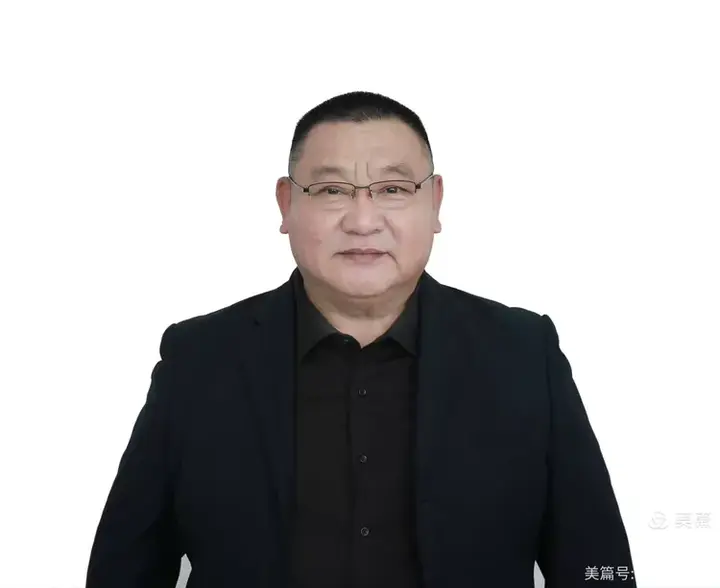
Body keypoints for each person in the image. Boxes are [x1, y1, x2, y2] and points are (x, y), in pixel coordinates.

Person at [86, 91, 637, 587]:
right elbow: (125, 569)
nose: (363, 219)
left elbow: (597, 566)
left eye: (393, 189)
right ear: (286, 204)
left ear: (435, 202)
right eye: (331, 190)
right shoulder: (199, 360)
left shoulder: (522, 355)